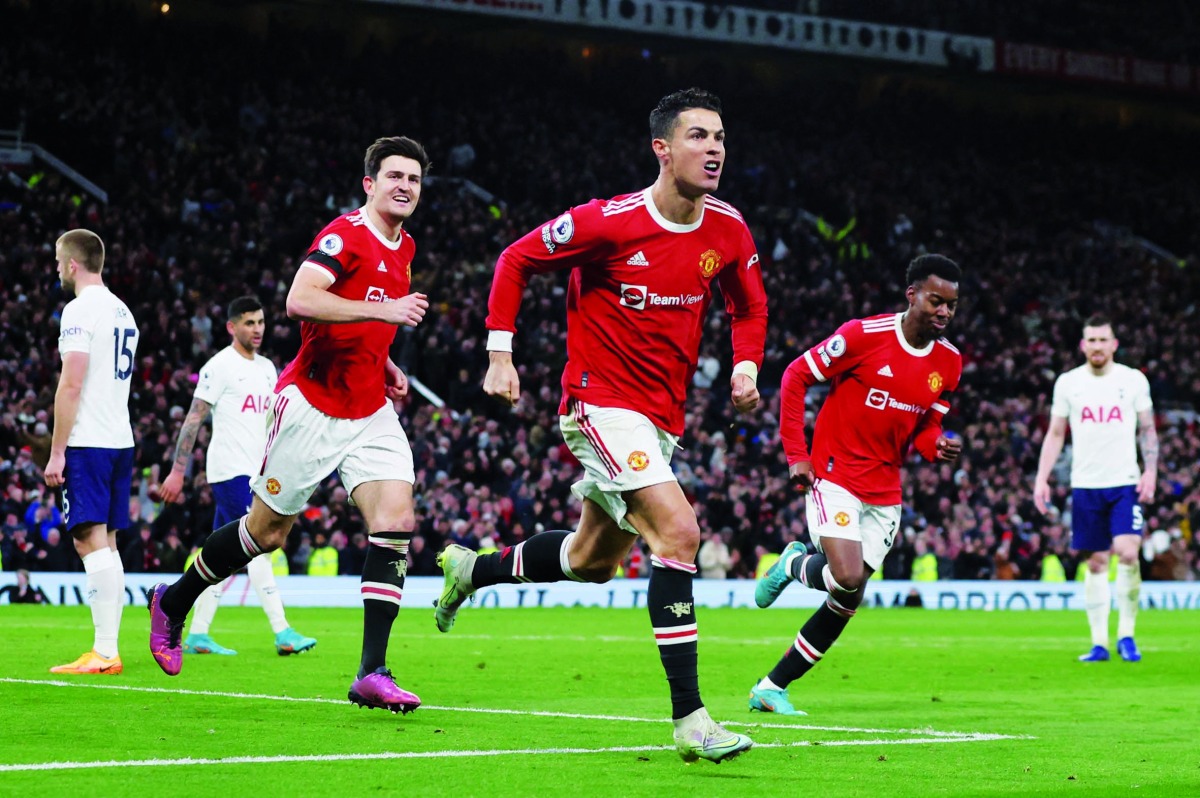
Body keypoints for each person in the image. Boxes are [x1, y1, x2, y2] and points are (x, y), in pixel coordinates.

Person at [435, 88, 766, 763]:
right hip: (600, 403)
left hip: (661, 418)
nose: (714, 149)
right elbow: (515, 258)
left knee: (592, 562)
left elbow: (749, 305)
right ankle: (691, 719)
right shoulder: (609, 222)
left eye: (721, 138)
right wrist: (500, 353)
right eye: (699, 136)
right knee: (679, 532)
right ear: (662, 149)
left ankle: (475, 570)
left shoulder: (727, 230)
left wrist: (747, 368)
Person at [148, 136, 431, 715]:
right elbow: (300, 300)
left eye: (415, 179)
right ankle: (174, 602)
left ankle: (372, 672)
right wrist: (384, 313)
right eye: (394, 176)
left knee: (396, 518)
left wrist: (389, 364)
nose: (405, 186)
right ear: (369, 184)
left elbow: (363, 320)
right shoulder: (345, 234)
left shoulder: (405, 247)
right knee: (265, 535)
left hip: (369, 408)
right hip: (312, 404)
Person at [748, 254, 964, 715]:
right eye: (935, 300)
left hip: (885, 488)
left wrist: (937, 445)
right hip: (835, 472)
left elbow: (926, 424)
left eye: (951, 304)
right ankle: (794, 566)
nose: (944, 311)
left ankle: (771, 686)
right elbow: (795, 376)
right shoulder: (862, 336)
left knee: (848, 598)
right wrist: (796, 455)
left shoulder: (949, 362)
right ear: (912, 296)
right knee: (845, 576)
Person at [158, 295, 318, 657]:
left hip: (258, 471)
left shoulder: (267, 368)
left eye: (261, 322)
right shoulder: (219, 366)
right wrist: (177, 472)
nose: (257, 329)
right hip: (230, 471)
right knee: (257, 543)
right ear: (232, 327)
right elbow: (194, 418)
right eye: (249, 323)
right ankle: (283, 631)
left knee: (221, 553)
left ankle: (198, 632)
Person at [1033, 314, 1157, 663]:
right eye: (1092, 340)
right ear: (1083, 345)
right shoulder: (1068, 383)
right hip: (1085, 484)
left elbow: (1147, 429)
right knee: (1097, 562)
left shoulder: (1133, 380)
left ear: (1114, 344)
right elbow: (1056, 433)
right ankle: (1100, 643)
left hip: (1124, 482)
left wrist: (1151, 471)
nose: (1097, 346)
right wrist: (1041, 478)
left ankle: (1128, 636)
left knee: (1128, 551)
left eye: (1103, 340)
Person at [46, 228, 140, 675]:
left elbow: (72, 383)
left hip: (89, 441)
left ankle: (105, 652)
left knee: (88, 539)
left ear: (71, 264)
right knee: (108, 544)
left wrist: (57, 452)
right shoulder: (123, 310)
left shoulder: (79, 310)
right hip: (120, 438)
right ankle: (107, 648)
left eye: (58, 263)